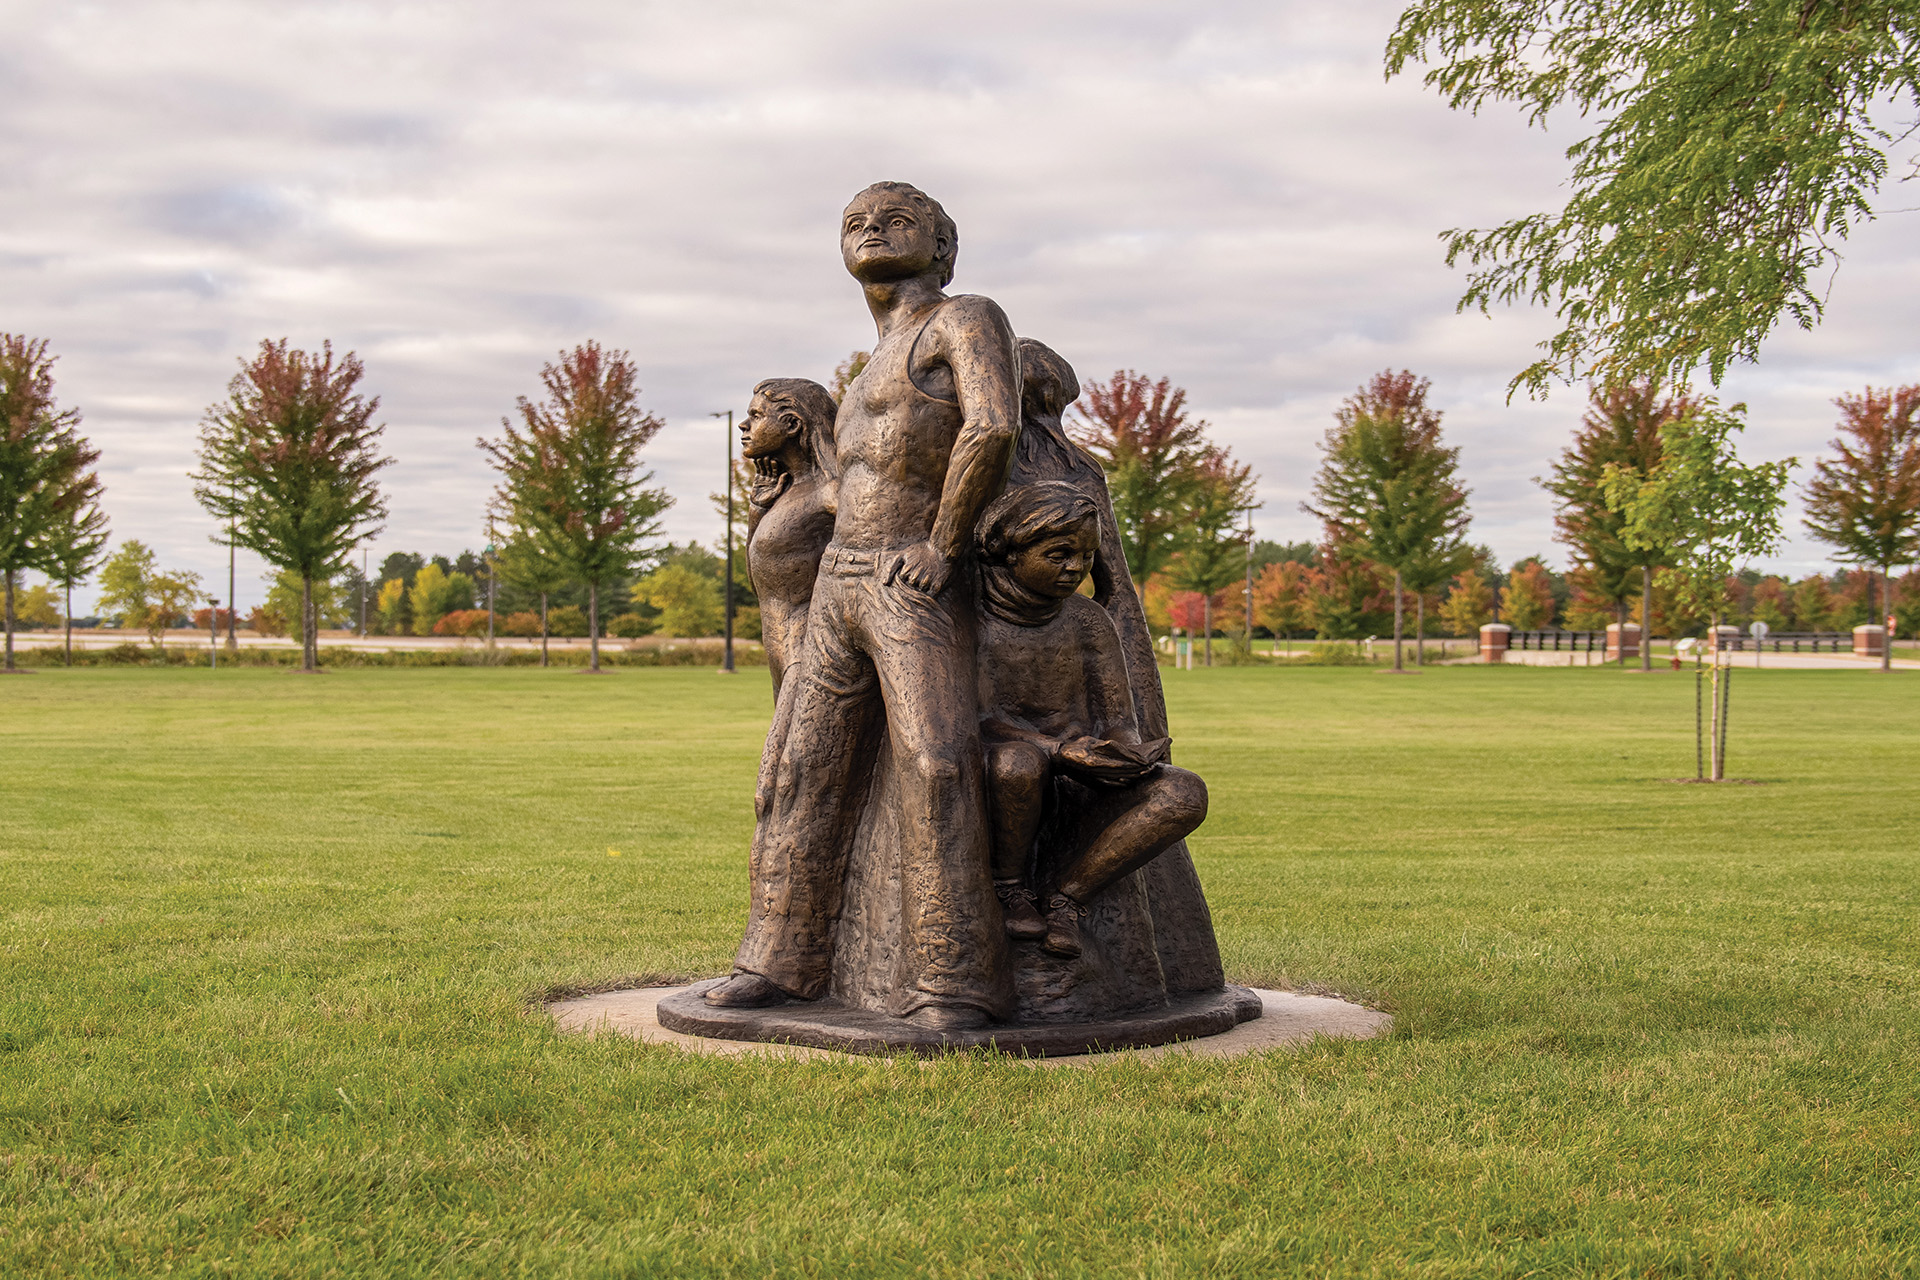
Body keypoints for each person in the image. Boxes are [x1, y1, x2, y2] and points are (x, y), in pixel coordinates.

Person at [707, 181, 1022, 1029]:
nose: (872, 229)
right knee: (799, 769)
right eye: (854, 222)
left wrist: (943, 546)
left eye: (896, 219)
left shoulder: (964, 320)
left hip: (907, 580)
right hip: (841, 583)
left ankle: (954, 979)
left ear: (944, 246)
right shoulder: (863, 369)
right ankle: (779, 961)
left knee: (935, 761)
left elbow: (993, 427)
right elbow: (849, 482)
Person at [973, 482, 1208, 958]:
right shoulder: (972, 621)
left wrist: (1123, 750)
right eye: (1060, 554)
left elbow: (1118, 716)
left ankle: (1067, 898)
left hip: (1084, 770)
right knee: (1017, 764)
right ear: (1010, 551)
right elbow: (977, 720)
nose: (1076, 568)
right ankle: (1011, 888)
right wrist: (1057, 751)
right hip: (1011, 770)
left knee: (1184, 793)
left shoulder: (1087, 621)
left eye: (1085, 556)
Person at [739, 377, 839, 695]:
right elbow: (759, 581)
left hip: (808, 658)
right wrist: (757, 509)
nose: (743, 426)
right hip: (780, 657)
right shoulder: (786, 492)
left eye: (756, 416)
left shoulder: (830, 492)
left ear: (792, 424)